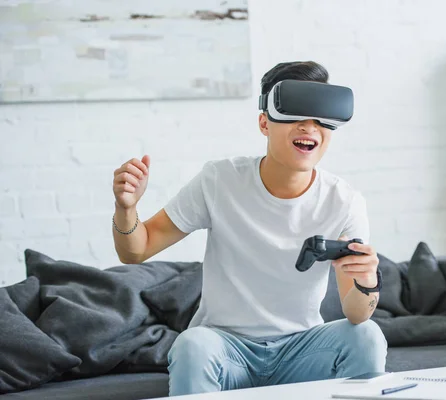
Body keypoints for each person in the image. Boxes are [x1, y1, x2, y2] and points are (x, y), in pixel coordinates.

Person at [111, 61, 387, 396]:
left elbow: (356, 314)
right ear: (264, 123)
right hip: (225, 350)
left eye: (319, 118)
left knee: (367, 335)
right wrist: (126, 209)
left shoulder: (344, 201)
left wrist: (368, 281)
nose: (308, 127)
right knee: (192, 344)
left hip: (302, 351)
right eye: (296, 114)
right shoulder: (220, 181)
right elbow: (137, 249)